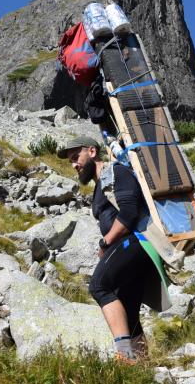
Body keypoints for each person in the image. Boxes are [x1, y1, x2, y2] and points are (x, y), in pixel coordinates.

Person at [58, 136, 161, 362]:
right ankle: (141, 367)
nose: (74, 165)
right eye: (71, 162)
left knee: (99, 286)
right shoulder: (100, 184)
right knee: (127, 306)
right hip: (129, 247)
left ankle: (123, 357)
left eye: (76, 157)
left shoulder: (116, 172)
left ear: (92, 152)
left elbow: (129, 213)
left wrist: (106, 242)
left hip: (136, 241)